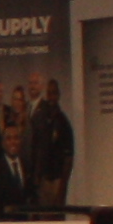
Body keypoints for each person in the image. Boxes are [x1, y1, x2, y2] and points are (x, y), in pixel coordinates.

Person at [22, 73, 77, 214]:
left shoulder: (63, 122)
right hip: (43, 181)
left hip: (57, 181)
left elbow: (69, 159)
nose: (51, 97)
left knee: (56, 217)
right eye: (49, 94)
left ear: (58, 95)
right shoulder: (42, 118)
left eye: (54, 93)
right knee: (43, 218)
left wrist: (62, 187)